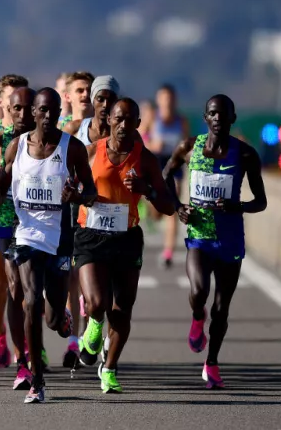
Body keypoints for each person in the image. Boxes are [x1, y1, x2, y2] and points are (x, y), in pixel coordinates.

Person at [0, 87, 96, 403]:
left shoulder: (72, 148)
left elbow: (90, 190)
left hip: (61, 242)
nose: (48, 117)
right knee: (31, 300)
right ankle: (36, 378)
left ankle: (62, 319)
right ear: (32, 112)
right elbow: (4, 179)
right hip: (27, 237)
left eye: (54, 111)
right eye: (43, 110)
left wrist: (77, 197)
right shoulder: (16, 147)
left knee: (52, 319)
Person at [162, 94, 267, 389]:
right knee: (199, 291)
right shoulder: (188, 147)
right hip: (199, 237)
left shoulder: (245, 155)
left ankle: (212, 363)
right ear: (205, 118)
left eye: (224, 114)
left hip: (230, 239)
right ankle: (197, 317)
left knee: (221, 308)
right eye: (212, 114)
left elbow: (261, 201)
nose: (218, 119)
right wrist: (177, 206)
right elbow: (166, 174)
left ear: (233, 118)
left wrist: (238, 206)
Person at [75, 98, 177, 393]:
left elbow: (168, 205)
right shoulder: (91, 152)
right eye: (117, 119)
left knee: (122, 309)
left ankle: (109, 369)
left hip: (126, 237)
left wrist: (146, 190)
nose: (123, 125)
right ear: (108, 121)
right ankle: (93, 328)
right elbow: (71, 190)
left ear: (138, 124)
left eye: (129, 120)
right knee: (97, 303)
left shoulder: (145, 159)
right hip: (91, 235)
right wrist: (80, 196)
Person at [0, 86, 36, 388]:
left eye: (29, 108)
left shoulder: (55, 141)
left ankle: (55, 320)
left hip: (44, 225)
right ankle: (23, 360)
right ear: (6, 109)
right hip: (7, 223)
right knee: (14, 287)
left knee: (41, 296)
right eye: (17, 109)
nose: (23, 115)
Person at [61, 75, 120, 370]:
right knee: (82, 280)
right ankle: (84, 333)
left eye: (110, 99)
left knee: (107, 287)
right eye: (99, 98)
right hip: (80, 216)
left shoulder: (124, 134)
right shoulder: (74, 130)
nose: (104, 104)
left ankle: (96, 334)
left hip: (113, 218)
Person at [148, 84, 190, 269]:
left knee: (173, 207)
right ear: (158, 99)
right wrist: (152, 144)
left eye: (170, 98)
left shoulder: (181, 121)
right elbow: (139, 138)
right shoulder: (152, 117)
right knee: (157, 211)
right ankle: (153, 213)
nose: (167, 101)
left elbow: (188, 145)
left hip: (174, 165)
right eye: (164, 98)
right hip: (156, 163)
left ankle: (168, 253)